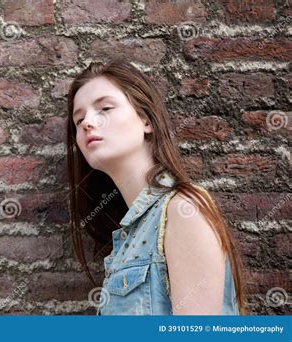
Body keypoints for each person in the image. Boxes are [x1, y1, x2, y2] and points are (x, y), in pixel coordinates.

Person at [65, 60, 247, 315]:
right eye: (79, 118)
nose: (87, 123)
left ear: (146, 121)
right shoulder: (129, 238)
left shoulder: (183, 209)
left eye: (104, 108)